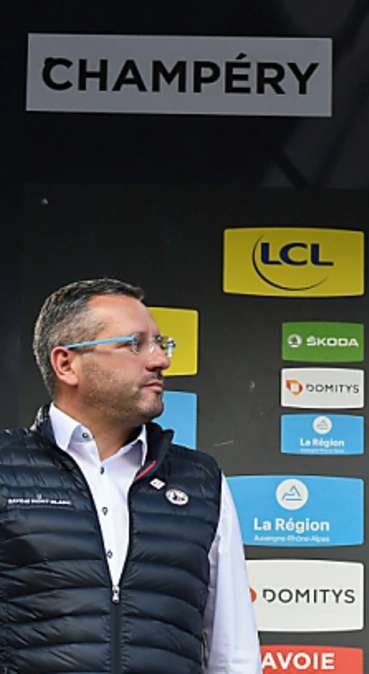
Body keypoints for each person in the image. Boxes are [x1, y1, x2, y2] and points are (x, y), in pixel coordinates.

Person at [0, 279, 261, 673]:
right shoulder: (6, 467)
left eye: (160, 343)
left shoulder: (200, 481)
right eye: (135, 345)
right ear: (66, 364)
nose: (161, 360)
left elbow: (234, 654)